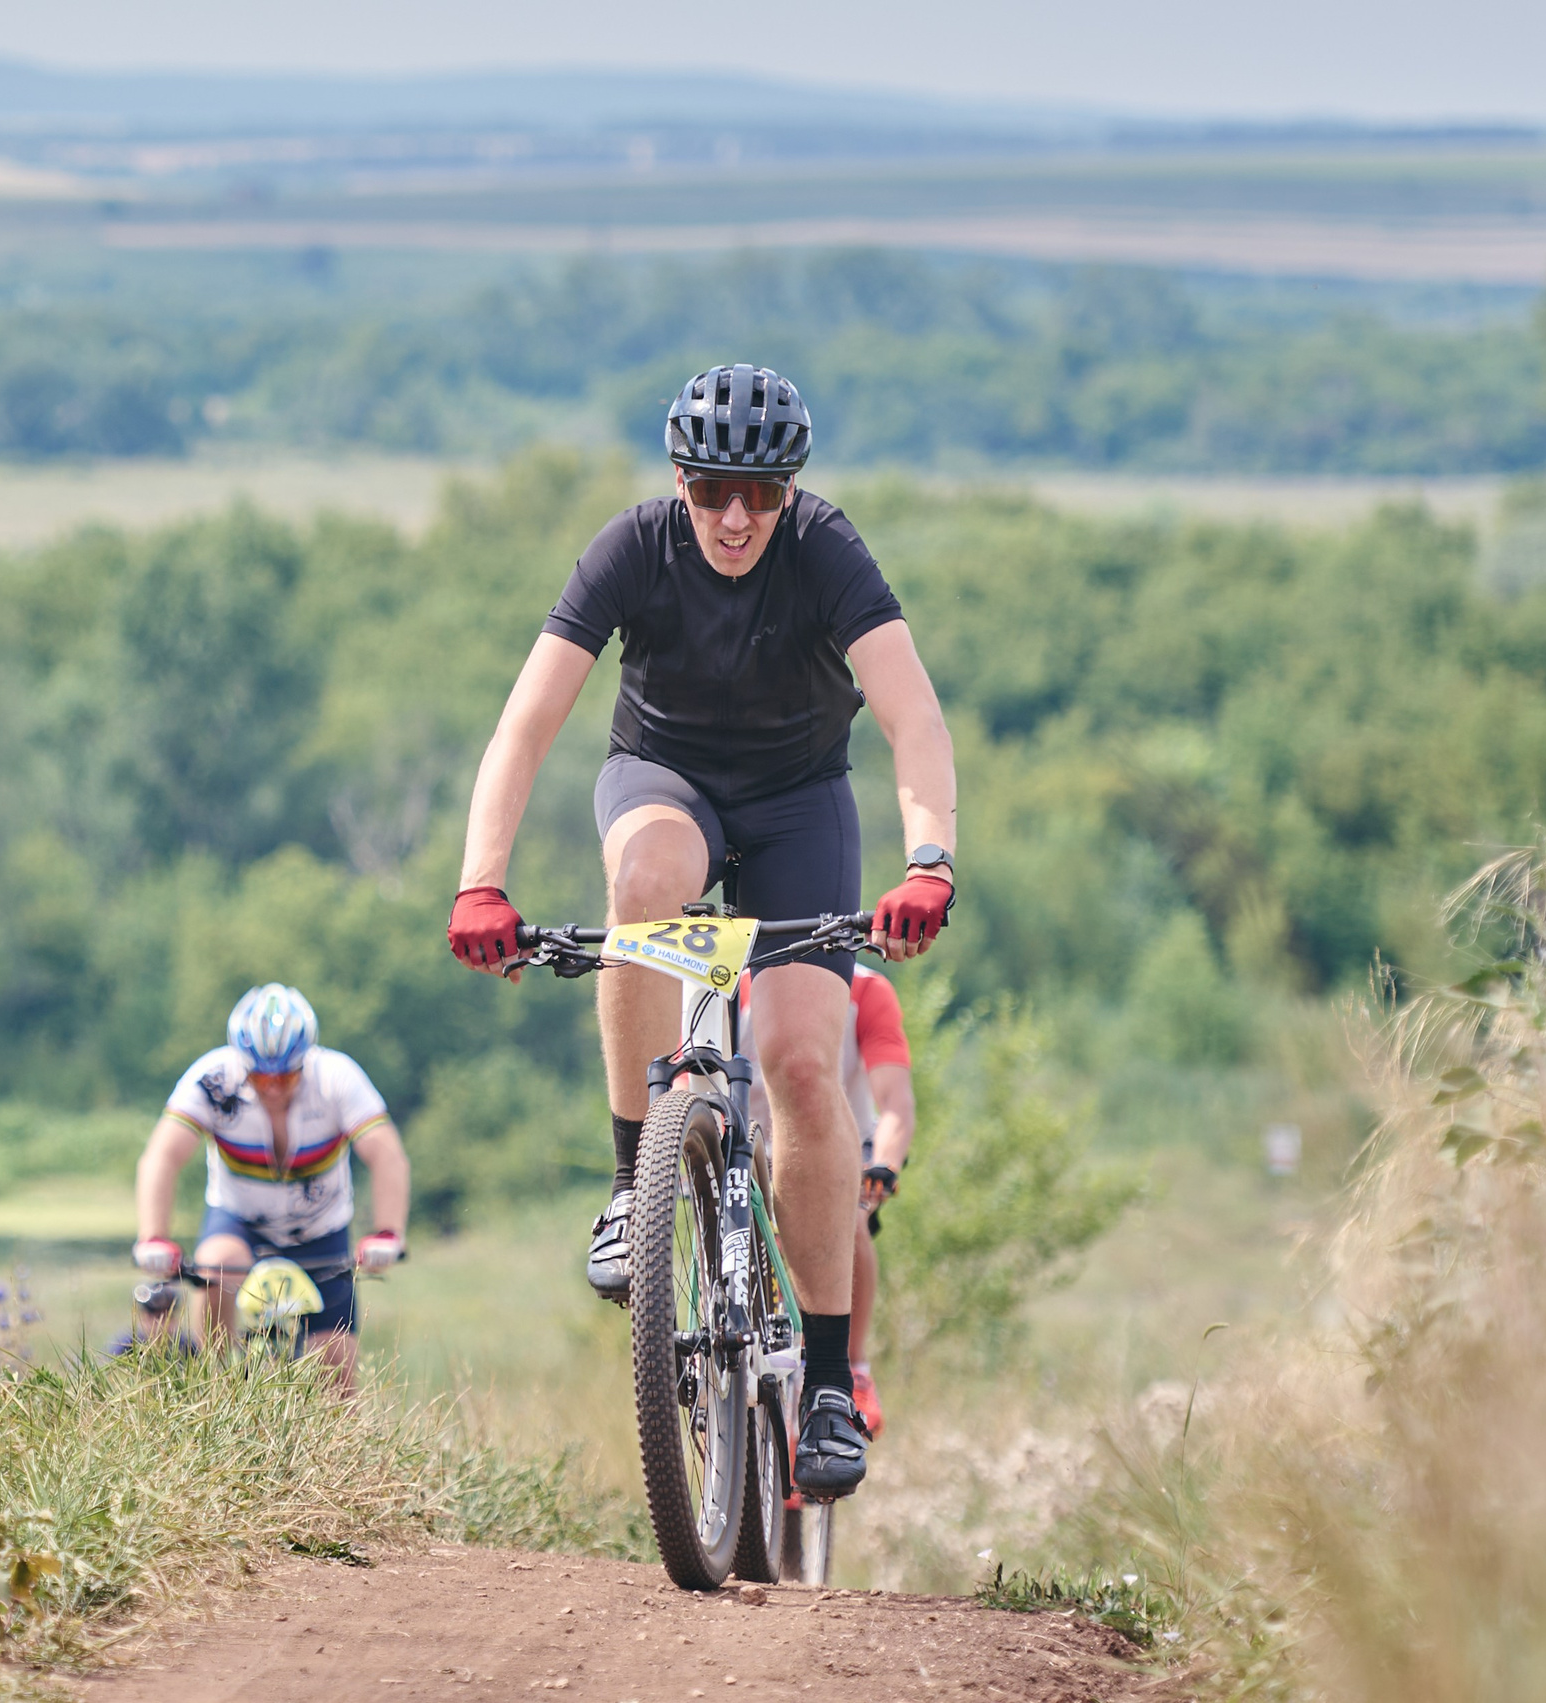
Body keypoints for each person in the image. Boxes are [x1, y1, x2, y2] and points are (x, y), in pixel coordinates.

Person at [447, 363, 958, 1499]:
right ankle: (635, 1181)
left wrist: (928, 860)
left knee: (802, 1069)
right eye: (711, 489)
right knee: (646, 877)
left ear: (790, 491)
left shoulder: (826, 550)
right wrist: (481, 882)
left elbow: (913, 716)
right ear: (678, 481)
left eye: (761, 494)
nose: (735, 517)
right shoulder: (632, 548)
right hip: (664, 781)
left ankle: (827, 1380)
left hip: (797, 808)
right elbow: (526, 724)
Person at [130, 983, 409, 1388]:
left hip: (320, 1231)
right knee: (215, 1264)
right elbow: (162, 1155)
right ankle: (213, 1385)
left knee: (335, 1372)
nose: (273, 1086)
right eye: (259, 1075)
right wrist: (153, 1237)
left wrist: (387, 1232)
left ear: (306, 1059)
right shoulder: (213, 1078)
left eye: (287, 1075)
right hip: (239, 1220)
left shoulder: (337, 1077)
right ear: (241, 1062)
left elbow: (387, 1156)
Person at [745, 962, 915, 1440]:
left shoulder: (866, 990)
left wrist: (885, 1164)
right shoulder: (731, 982)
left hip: (842, 1151)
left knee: (848, 1220)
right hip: (752, 1154)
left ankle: (854, 1369)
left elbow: (895, 1103)